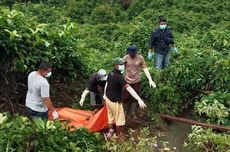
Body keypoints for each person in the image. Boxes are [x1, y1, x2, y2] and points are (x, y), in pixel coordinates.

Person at [104, 57, 147, 140]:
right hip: (115, 101)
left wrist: (105, 95)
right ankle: (120, 136)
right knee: (120, 120)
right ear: (116, 65)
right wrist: (139, 99)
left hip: (108, 99)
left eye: (123, 64)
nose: (123, 66)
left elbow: (107, 84)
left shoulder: (111, 73)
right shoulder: (119, 77)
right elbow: (129, 88)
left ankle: (110, 133)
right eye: (121, 64)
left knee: (110, 118)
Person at [123, 44, 156, 118]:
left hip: (136, 81)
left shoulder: (140, 58)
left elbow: (145, 69)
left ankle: (133, 112)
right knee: (125, 97)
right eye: (130, 53)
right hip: (127, 81)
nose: (131, 55)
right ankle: (125, 111)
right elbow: (121, 68)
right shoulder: (125, 57)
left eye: (133, 53)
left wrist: (150, 80)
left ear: (136, 52)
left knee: (135, 97)